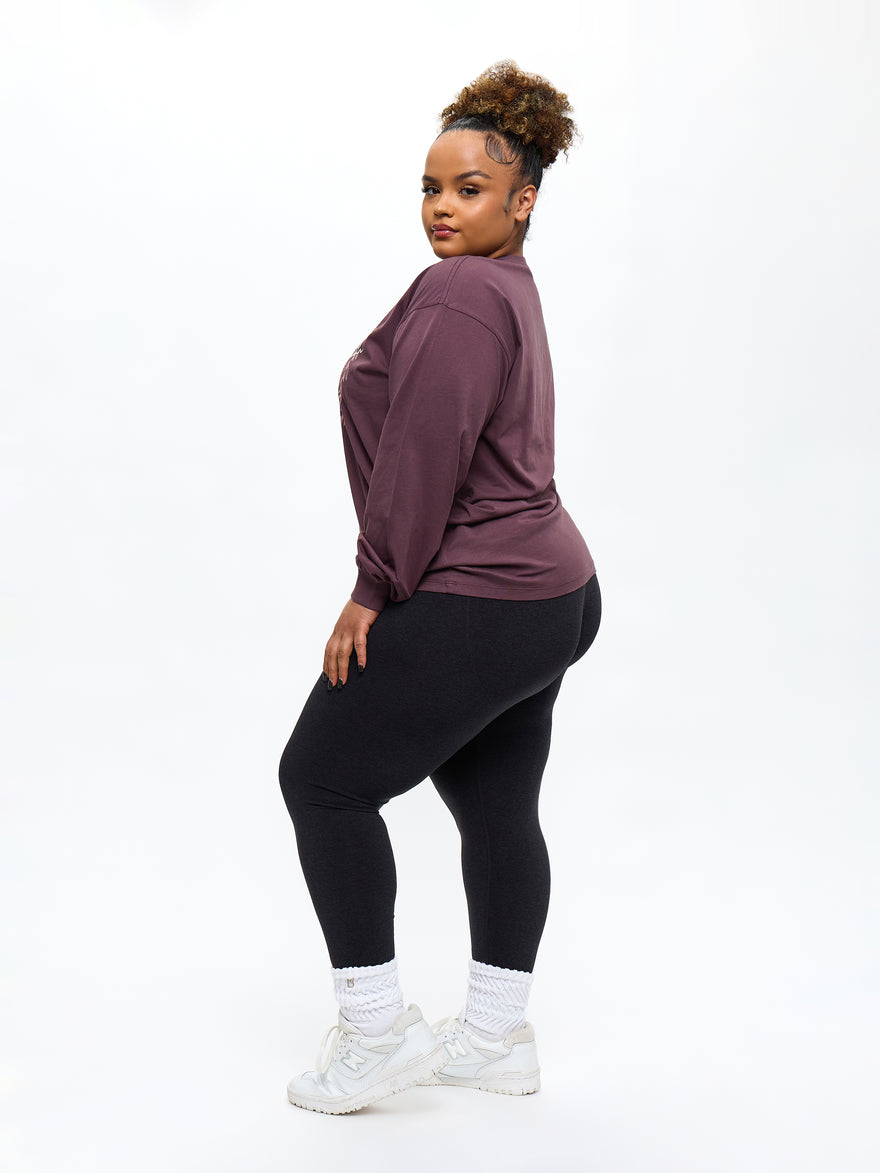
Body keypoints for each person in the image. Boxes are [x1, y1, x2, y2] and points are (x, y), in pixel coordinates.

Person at [278, 60, 601, 1115]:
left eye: (470, 189)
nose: (441, 207)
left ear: (524, 199)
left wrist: (373, 588)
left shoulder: (463, 293)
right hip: (552, 595)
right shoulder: (502, 286)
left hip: (484, 593)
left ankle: (376, 1034)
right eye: (429, 187)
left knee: (322, 780)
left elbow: (425, 451)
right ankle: (495, 1040)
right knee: (494, 802)